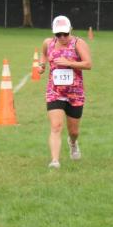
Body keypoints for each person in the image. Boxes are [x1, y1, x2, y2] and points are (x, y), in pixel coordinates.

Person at [40, 16, 92, 169]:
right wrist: (42, 65)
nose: (62, 37)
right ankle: (55, 161)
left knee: (73, 131)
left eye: (65, 33)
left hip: (75, 92)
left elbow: (88, 64)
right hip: (54, 91)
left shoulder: (78, 43)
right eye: (58, 34)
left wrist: (69, 63)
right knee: (56, 126)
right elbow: (44, 55)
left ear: (70, 30)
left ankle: (73, 143)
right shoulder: (48, 43)